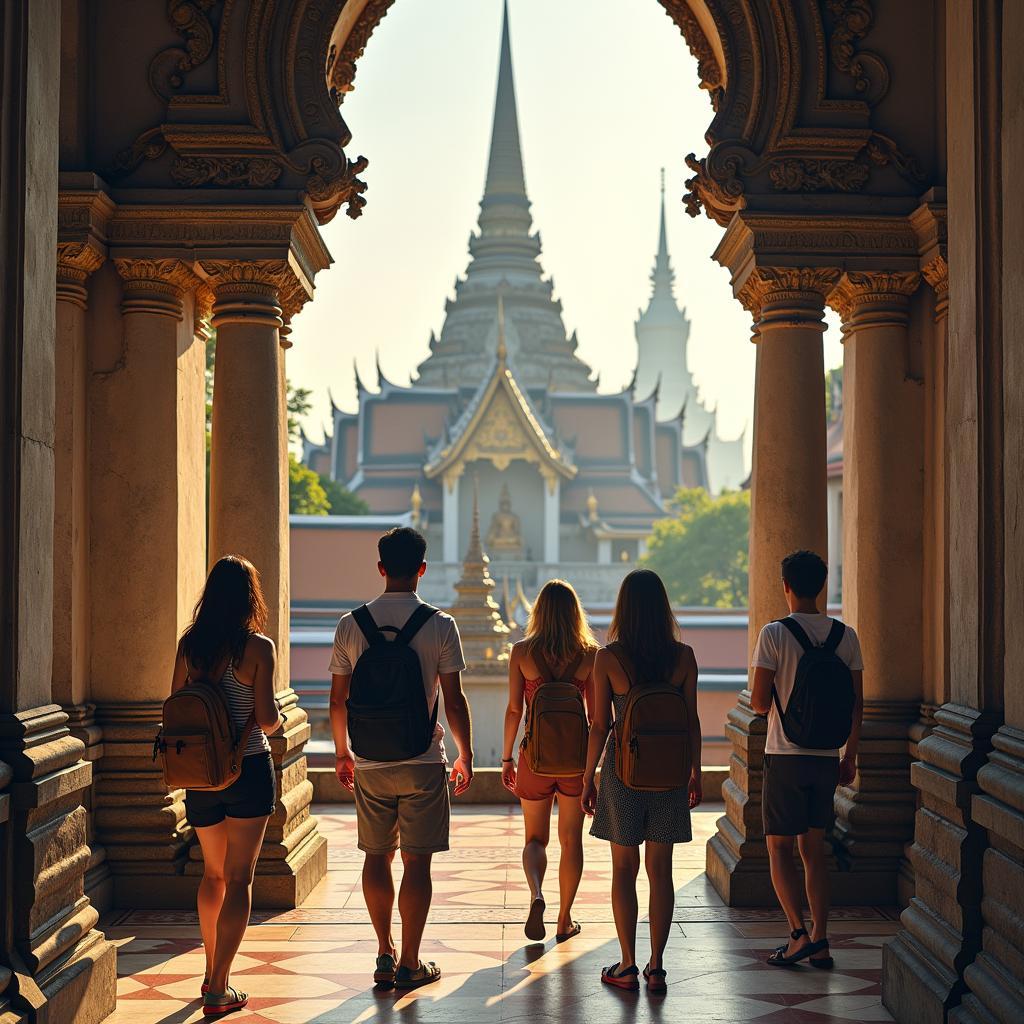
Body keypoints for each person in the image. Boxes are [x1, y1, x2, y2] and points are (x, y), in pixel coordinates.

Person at [329, 527, 473, 991]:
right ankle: (412, 960)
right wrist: (465, 754)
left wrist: (341, 753)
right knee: (417, 862)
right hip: (423, 757)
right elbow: (454, 700)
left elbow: (337, 700)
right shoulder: (440, 624)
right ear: (423, 569)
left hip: (370, 760)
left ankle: (384, 951)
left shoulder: (351, 624)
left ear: (381, 568)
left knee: (376, 856)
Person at [172, 556, 282, 1019]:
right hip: (248, 769)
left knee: (212, 875)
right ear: (250, 598)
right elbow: (269, 721)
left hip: (200, 775)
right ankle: (220, 985)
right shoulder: (258, 648)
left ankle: (209, 969)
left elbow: (174, 705)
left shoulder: (191, 646)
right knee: (241, 878)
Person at [582, 568, 702, 994]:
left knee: (623, 868)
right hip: (670, 774)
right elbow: (691, 723)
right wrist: (696, 773)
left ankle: (627, 964)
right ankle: (657, 966)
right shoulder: (683, 656)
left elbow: (599, 725)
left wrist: (587, 778)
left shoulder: (608, 659)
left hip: (622, 773)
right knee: (661, 871)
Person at [749, 550, 864, 968]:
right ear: (823, 585)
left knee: (779, 848)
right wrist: (849, 755)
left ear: (786, 586)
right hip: (825, 758)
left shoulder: (774, 634)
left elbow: (760, 702)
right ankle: (822, 938)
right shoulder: (845, 636)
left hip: (785, 755)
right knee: (813, 849)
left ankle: (797, 934)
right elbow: (856, 704)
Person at [501, 579, 597, 943]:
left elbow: (514, 710)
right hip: (574, 762)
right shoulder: (590, 655)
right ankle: (564, 919)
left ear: (538, 611)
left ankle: (537, 893)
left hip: (534, 759)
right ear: (575, 614)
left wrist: (507, 757)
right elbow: (595, 718)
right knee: (572, 840)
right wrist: (592, 771)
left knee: (535, 838)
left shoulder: (522, 652)